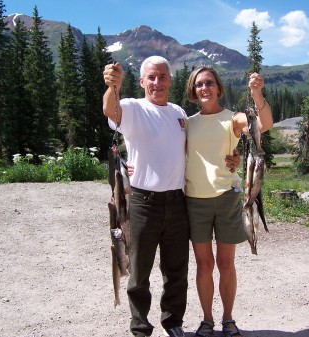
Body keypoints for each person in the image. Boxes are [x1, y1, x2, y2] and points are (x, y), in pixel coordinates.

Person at [102, 56, 239, 337]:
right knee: (139, 271)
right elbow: (111, 110)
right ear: (141, 82)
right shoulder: (131, 107)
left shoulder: (178, 113)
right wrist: (112, 86)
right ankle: (140, 326)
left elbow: (201, 146)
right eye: (151, 77)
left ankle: (173, 322)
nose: (157, 82)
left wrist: (233, 156)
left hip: (178, 201)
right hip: (142, 202)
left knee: (176, 270)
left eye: (162, 76)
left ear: (170, 81)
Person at [184, 66, 273, 337]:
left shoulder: (233, 119)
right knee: (204, 265)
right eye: (199, 84)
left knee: (225, 264)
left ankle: (228, 319)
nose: (205, 88)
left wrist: (257, 94)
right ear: (193, 90)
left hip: (226, 199)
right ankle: (207, 320)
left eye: (209, 83)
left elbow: (264, 124)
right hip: (194, 200)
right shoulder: (187, 123)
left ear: (218, 87)